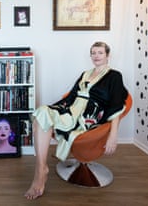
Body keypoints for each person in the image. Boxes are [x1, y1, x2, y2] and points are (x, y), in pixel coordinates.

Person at [24, 41, 128, 200]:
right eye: (93, 53)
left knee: (43, 117)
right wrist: (55, 110)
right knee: (41, 114)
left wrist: (113, 135)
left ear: (108, 55)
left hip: (89, 116)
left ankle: (39, 174)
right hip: (71, 110)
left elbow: (116, 106)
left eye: (100, 52)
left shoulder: (114, 76)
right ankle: (41, 168)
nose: (96, 56)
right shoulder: (85, 74)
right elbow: (72, 96)